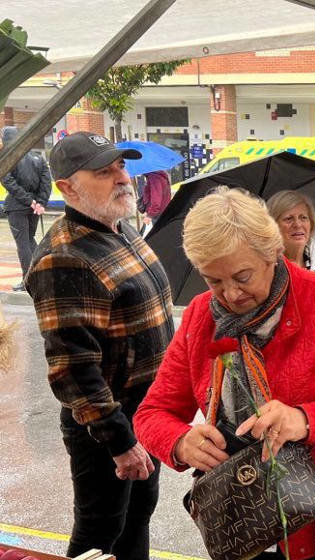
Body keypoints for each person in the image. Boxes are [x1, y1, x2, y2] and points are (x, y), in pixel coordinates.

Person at [133, 187, 315, 560]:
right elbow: (151, 414)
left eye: (242, 276)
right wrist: (180, 442)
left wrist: (303, 420)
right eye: (213, 280)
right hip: (238, 521)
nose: (230, 294)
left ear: (274, 252)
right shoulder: (199, 316)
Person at [24, 132, 173, 560]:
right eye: (103, 172)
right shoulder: (65, 257)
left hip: (144, 414)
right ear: (67, 187)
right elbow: (73, 369)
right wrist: (120, 441)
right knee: (99, 534)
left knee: (137, 518)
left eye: (120, 167)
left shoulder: (119, 228)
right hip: (108, 427)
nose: (121, 178)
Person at [2, 126, 52, 291]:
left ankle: (28, 280)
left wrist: (30, 201)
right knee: (30, 240)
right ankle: (43, 274)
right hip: (34, 207)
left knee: (23, 244)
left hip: (17, 206)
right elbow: (46, 182)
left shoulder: (8, 159)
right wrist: (40, 203)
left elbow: (8, 183)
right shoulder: (38, 158)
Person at [266, 190, 315, 270]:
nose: (297, 225)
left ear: (311, 223)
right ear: (272, 225)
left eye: (303, 217)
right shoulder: (264, 266)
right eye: (288, 219)